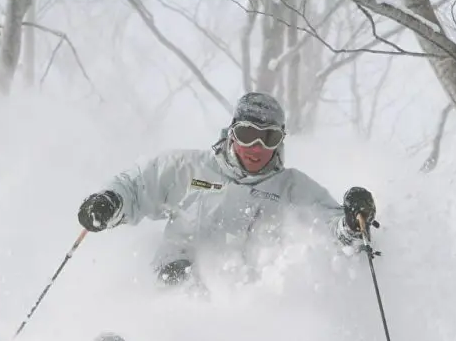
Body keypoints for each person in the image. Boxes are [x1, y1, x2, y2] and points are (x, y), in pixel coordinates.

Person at [76, 92, 379, 288]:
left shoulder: (292, 188)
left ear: (281, 140)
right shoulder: (188, 167)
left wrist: (352, 223)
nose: (256, 148)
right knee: (183, 284)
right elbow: (137, 186)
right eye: (247, 135)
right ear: (232, 133)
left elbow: (330, 228)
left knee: (248, 293)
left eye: (268, 138)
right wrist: (109, 202)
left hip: (245, 293)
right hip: (175, 274)